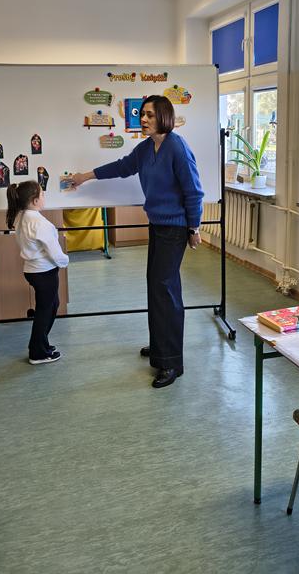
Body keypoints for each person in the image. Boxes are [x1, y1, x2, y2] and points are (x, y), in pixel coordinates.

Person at [71, 95, 204, 389]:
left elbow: (194, 191)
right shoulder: (146, 148)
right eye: (142, 114)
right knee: (156, 287)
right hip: (157, 225)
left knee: (165, 290)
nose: (143, 119)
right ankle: (160, 347)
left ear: (164, 117)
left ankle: (172, 362)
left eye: (149, 115)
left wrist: (194, 227)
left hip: (175, 228)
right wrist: (86, 176)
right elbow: (121, 167)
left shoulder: (177, 147)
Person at [6, 180, 69, 365]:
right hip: (43, 272)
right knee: (45, 311)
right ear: (34, 200)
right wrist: (65, 261)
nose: (44, 196)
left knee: (52, 305)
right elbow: (54, 252)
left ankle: (41, 345)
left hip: (35, 271)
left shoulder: (22, 217)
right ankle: (38, 353)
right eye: (42, 194)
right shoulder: (38, 222)